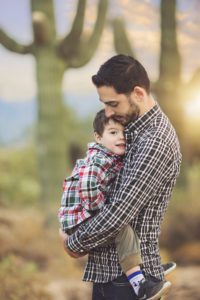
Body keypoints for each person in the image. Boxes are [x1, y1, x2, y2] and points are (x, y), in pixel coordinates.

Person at [59, 54, 181, 300]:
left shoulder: (154, 140)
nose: (108, 112)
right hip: (112, 277)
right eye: (105, 104)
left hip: (130, 283)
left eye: (113, 104)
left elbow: (119, 212)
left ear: (138, 93)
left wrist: (74, 243)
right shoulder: (133, 129)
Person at [58, 109, 145, 296]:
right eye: (113, 132)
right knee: (123, 229)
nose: (121, 137)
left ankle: (138, 273)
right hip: (82, 217)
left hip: (79, 217)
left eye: (124, 132)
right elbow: (88, 183)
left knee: (123, 230)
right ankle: (139, 283)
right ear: (98, 137)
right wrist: (100, 210)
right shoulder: (100, 157)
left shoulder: (108, 155)